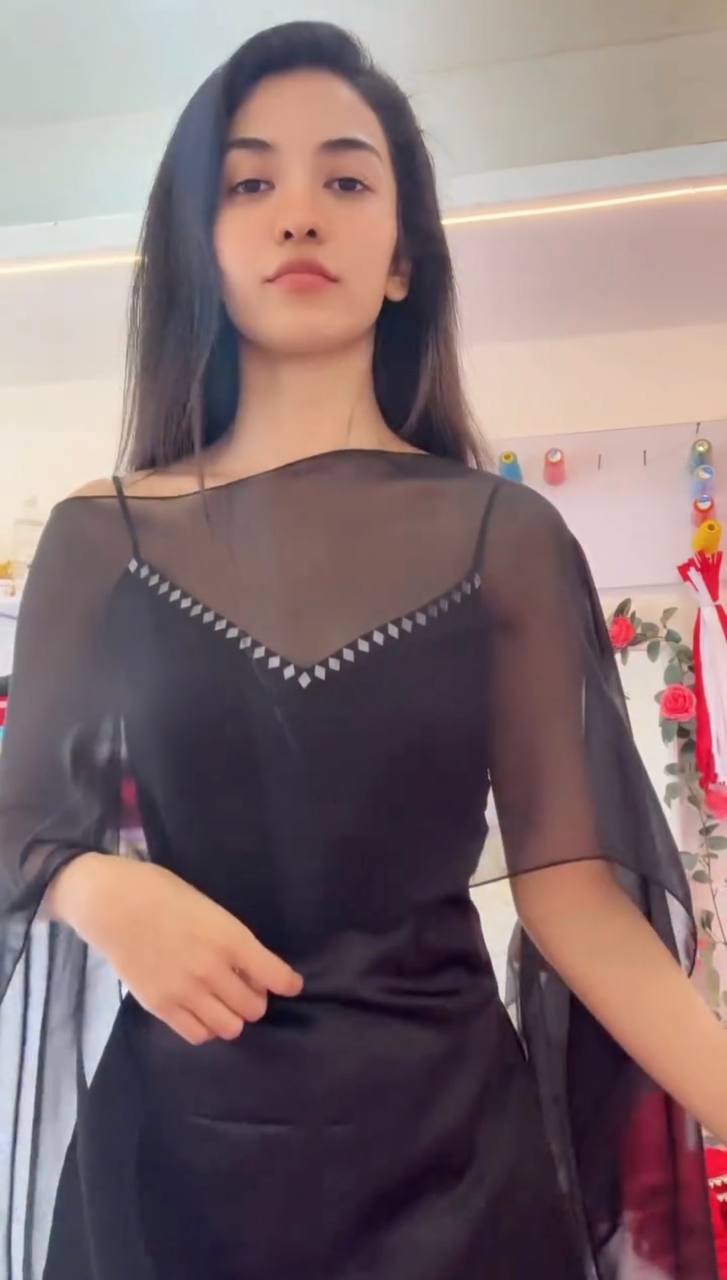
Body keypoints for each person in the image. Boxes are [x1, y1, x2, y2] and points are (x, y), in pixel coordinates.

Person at [0, 20, 722, 1280]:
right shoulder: (97, 538)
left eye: (344, 178)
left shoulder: (505, 536)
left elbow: (573, 901)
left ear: (402, 259)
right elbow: (16, 826)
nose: (298, 213)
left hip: (455, 1171)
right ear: (199, 247)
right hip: (173, 1182)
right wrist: (93, 885)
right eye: (248, 183)